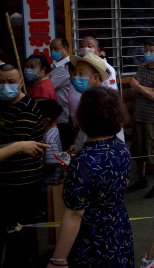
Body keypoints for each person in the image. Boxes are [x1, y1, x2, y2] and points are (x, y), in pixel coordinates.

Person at [47, 86, 133, 268]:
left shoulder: (82, 163)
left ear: (83, 117)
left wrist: (59, 259)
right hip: (118, 225)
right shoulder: (121, 148)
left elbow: (75, 214)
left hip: (93, 233)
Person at [0, 64, 45, 266]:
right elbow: (15, 147)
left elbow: (20, 149)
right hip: (4, 183)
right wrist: (13, 147)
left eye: (10, 82)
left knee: (23, 234)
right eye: (1, 82)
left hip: (24, 185)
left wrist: (13, 148)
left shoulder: (27, 108)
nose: (5, 86)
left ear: (20, 83)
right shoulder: (3, 106)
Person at [127, 39, 154, 199]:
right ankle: (142, 178)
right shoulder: (142, 67)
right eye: (146, 50)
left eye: (151, 50)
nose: (148, 53)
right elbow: (133, 85)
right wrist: (153, 90)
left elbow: (152, 96)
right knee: (138, 148)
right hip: (138, 114)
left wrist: (140, 88)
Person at [69, 53, 126, 151]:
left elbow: (103, 139)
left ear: (96, 78)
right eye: (75, 73)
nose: (75, 77)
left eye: (81, 73)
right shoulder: (88, 96)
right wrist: (77, 146)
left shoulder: (104, 100)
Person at [49, 38, 72, 149]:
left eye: (56, 49)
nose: (52, 51)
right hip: (61, 114)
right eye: (51, 49)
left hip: (64, 116)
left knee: (64, 147)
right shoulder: (57, 67)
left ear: (65, 49)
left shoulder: (65, 67)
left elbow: (48, 87)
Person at [39, 99, 64, 185]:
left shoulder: (49, 139)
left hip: (49, 181)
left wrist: (36, 167)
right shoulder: (53, 127)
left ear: (46, 121)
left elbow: (55, 163)